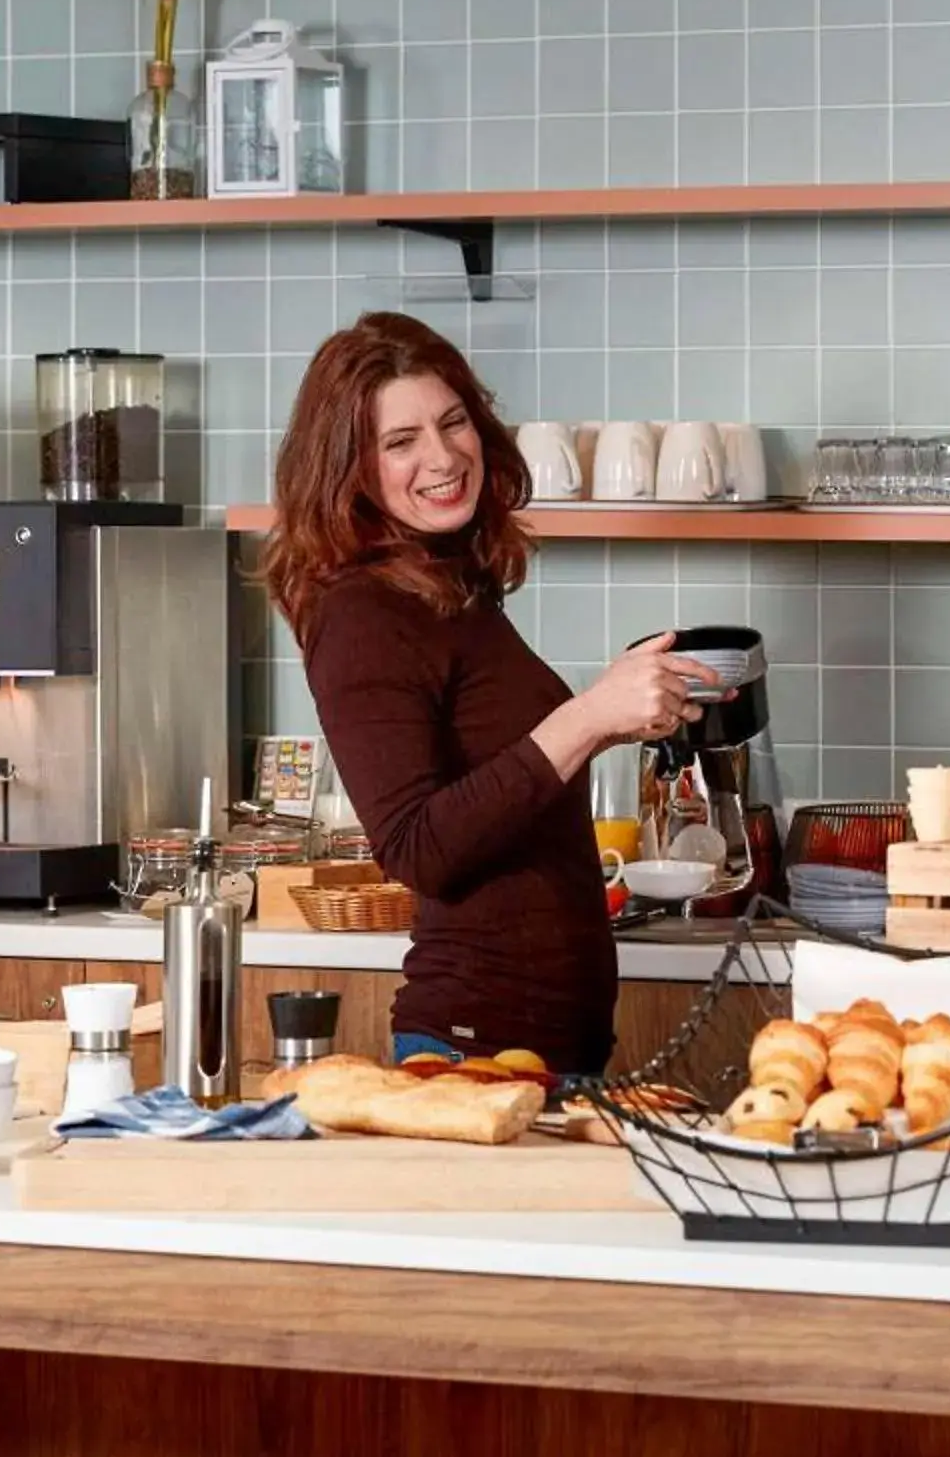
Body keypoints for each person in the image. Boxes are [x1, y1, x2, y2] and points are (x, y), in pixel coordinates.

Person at [261, 313, 720, 1074]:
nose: (442, 457)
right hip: (471, 1047)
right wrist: (589, 716)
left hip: (542, 1042)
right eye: (400, 441)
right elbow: (418, 849)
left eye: (453, 422)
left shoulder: (447, 586)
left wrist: (617, 712)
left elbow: (504, 780)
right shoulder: (360, 614)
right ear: (349, 468)